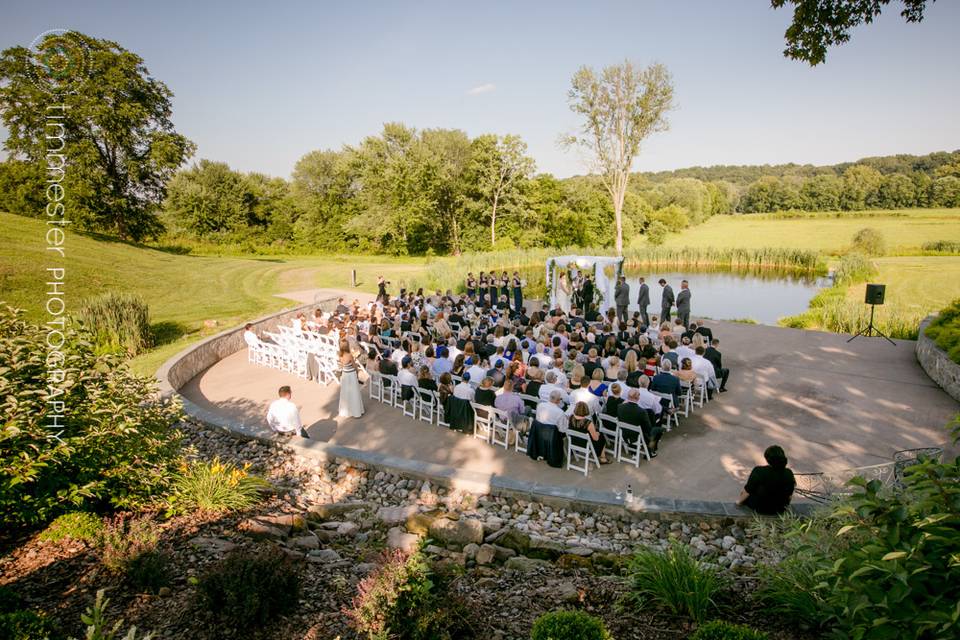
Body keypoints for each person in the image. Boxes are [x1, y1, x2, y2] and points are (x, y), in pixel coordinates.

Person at [737, 445, 796, 515]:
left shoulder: (759, 471)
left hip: (759, 507)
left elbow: (748, 491)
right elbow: (789, 495)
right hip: (779, 508)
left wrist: (738, 502)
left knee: (747, 495)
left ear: (768, 459)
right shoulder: (788, 473)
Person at [616, 387, 664, 456]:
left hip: (624, 434)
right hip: (638, 436)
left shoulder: (620, 407)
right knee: (659, 430)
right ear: (638, 398)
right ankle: (651, 451)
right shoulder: (641, 411)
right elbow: (648, 429)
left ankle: (633, 450)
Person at [338, 342, 365, 418]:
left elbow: (342, 365)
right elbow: (354, 366)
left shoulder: (340, 355)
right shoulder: (349, 355)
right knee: (354, 392)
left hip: (345, 374)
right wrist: (357, 372)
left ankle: (347, 410)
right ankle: (356, 411)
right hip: (351, 374)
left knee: (346, 392)